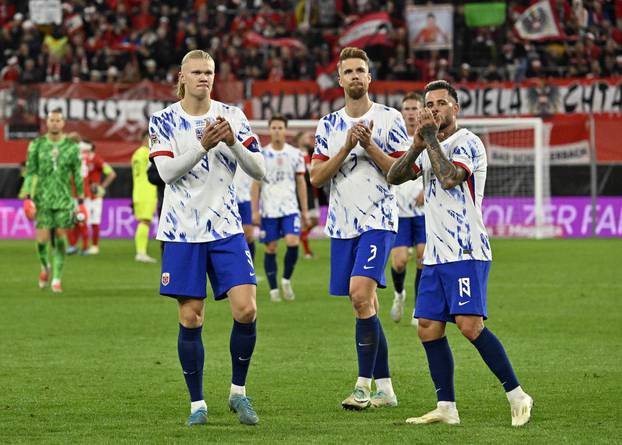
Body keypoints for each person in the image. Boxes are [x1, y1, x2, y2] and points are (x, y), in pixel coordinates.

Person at [387, 80, 533, 427]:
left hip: (466, 248)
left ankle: (518, 394)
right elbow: (394, 176)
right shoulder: (428, 144)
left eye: (440, 103)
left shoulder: (467, 141)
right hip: (436, 255)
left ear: (455, 108)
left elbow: (451, 178)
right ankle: (446, 407)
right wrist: (417, 144)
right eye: (429, 104)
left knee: (469, 326)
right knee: (427, 328)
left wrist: (431, 139)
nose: (433, 108)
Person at [149, 49, 265, 427]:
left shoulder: (233, 116)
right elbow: (166, 173)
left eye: (210, 72)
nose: (204, 77)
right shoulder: (164, 120)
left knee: (246, 308)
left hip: (226, 228)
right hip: (183, 231)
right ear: (181, 76)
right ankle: (197, 404)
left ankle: (238, 393)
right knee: (191, 316)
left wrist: (231, 141)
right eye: (197, 72)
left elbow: (258, 169)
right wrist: (204, 145)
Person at [310, 47, 410, 410]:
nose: (355, 76)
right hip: (341, 224)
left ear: (370, 78)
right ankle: (386, 388)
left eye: (360, 70)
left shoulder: (390, 119)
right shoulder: (328, 125)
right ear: (340, 79)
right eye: (348, 71)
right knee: (365, 305)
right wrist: (346, 147)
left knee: (359, 294)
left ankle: (363, 386)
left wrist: (369, 146)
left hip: (378, 219)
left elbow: (402, 173)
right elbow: (317, 177)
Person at [22, 108, 85, 293]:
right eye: (52, 120)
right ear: (47, 123)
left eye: (58, 120)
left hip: (64, 200)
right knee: (41, 241)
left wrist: (80, 202)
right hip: (42, 200)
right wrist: (27, 197)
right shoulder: (37, 144)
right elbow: (30, 172)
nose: (55, 123)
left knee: (60, 238)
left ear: (63, 123)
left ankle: (56, 278)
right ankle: (45, 266)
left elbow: (78, 175)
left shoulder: (72, 147)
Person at [251, 115, 308, 302]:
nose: (277, 131)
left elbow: (301, 182)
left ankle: (286, 280)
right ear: (269, 130)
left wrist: (305, 210)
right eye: (273, 128)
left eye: (280, 127)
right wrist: (254, 210)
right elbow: (256, 185)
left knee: (293, 242)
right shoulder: (262, 155)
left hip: (290, 208)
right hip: (269, 209)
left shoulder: (295, 154)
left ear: (286, 130)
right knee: (271, 248)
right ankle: (273, 289)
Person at [389, 92, 426, 327]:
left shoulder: (430, 139)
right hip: (399, 213)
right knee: (400, 262)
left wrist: (428, 189)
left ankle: (418, 308)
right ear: (401, 113)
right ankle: (399, 294)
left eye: (415, 109)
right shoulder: (394, 139)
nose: (411, 113)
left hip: (423, 213)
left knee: (423, 259)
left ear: (421, 112)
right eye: (407, 109)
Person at [83, 140, 117, 254]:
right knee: (82, 221)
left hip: (94, 196)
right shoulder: (81, 160)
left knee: (94, 221)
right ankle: (84, 245)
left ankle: (94, 246)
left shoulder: (96, 159)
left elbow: (111, 173)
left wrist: (102, 187)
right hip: (83, 195)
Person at [131, 131, 158, 263]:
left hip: (140, 191)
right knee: (145, 222)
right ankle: (141, 253)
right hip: (146, 191)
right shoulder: (146, 153)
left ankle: (141, 252)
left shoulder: (137, 153)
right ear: (146, 139)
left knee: (145, 221)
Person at [233, 135, 261, 261]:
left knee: (248, 234)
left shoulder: (251, 137)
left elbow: (258, 166)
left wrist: (255, 209)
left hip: (244, 195)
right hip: (225, 195)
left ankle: (250, 269)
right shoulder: (218, 133)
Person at [294, 130, 320, 259]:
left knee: (315, 220)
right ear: (299, 139)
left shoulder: (311, 153)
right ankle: (307, 252)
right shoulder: (295, 154)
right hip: (303, 192)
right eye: (305, 136)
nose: (308, 139)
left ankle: (300, 238)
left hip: (313, 192)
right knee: (307, 220)